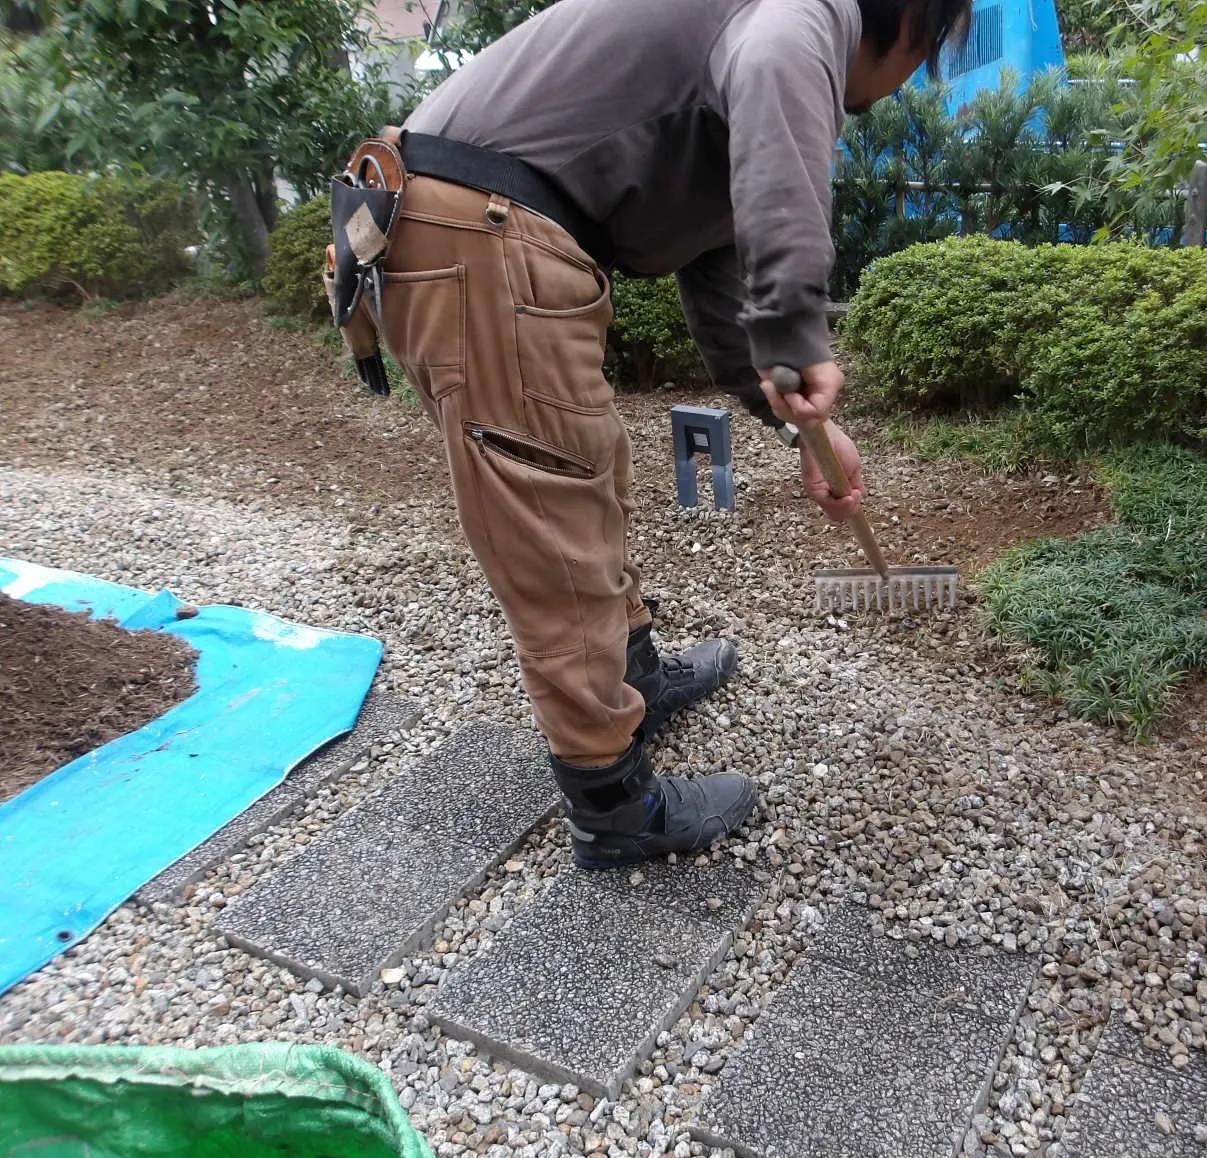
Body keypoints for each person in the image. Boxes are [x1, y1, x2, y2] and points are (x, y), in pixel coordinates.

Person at [330, 0, 972, 868]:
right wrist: (797, 330)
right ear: (911, 24)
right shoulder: (802, 18)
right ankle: (613, 804)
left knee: (585, 466)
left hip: (485, 224)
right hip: (475, 226)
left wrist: (792, 426)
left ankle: (633, 674)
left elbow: (721, 275)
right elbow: (782, 98)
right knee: (549, 515)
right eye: (927, 58)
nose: (903, 85)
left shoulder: (734, 52)